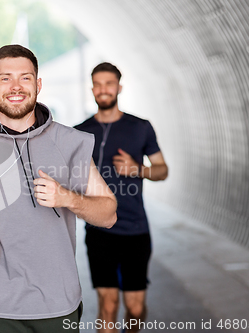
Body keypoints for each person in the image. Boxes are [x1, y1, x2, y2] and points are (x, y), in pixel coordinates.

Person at [0, 45, 117, 333]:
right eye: (5, 78)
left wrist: (67, 197)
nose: (15, 87)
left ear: (38, 84)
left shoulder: (70, 142)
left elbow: (109, 214)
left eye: (25, 77)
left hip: (57, 304)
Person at [75, 62, 169, 333]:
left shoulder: (140, 127)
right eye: (98, 84)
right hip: (99, 230)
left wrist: (138, 169)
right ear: (92, 88)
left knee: (136, 308)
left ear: (119, 87)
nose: (103, 89)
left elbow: (162, 170)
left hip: (135, 229)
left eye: (109, 83)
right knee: (107, 304)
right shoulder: (78, 132)